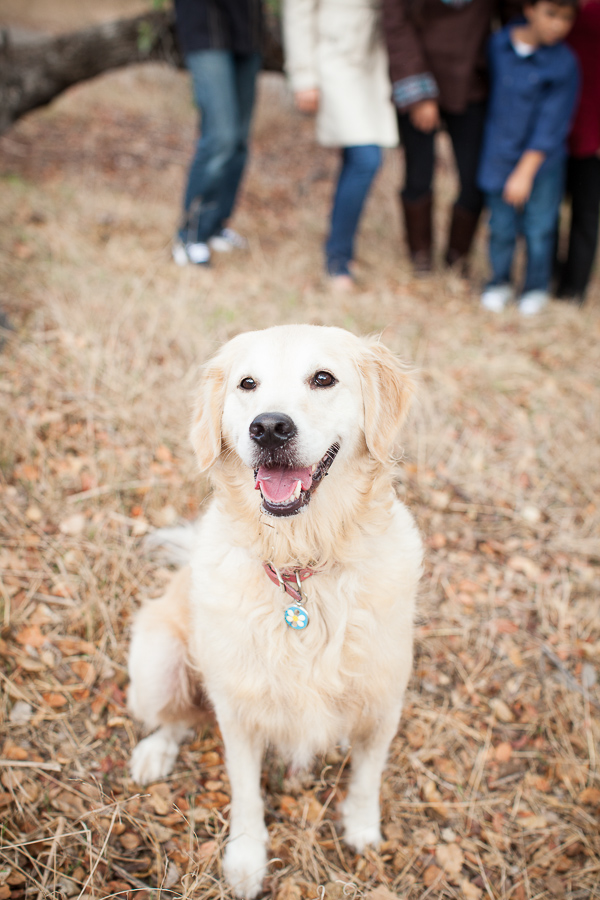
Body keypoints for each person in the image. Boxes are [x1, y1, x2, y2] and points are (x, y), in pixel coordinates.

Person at [283, 0, 398, 291]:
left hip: (375, 56)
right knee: (366, 159)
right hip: (333, 58)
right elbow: (298, 10)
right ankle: (337, 260)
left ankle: (340, 251)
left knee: (356, 158)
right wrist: (303, 75)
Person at [382, 0, 501, 276]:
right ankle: (420, 257)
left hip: (472, 81)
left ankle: (457, 260)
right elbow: (396, 25)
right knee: (418, 174)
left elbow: (517, 15)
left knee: (474, 180)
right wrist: (420, 93)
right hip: (417, 78)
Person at [478, 0, 579, 315]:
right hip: (498, 155)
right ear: (530, 9)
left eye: (566, 18)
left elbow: (552, 125)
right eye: (551, 14)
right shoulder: (498, 45)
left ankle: (535, 288)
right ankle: (499, 282)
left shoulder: (565, 63)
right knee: (501, 228)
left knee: (540, 228)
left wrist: (525, 172)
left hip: (541, 164)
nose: (558, 25)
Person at [172, 0, 263, 266]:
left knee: (238, 140)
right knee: (219, 137)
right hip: (204, 28)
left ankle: (215, 224)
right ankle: (190, 235)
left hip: (247, 28)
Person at [555, 0, 600, 305]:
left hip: (593, 128)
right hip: (553, 127)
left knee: (586, 212)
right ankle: (546, 278)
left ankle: (575, 289)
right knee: (546, 212)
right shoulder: (555, 7)